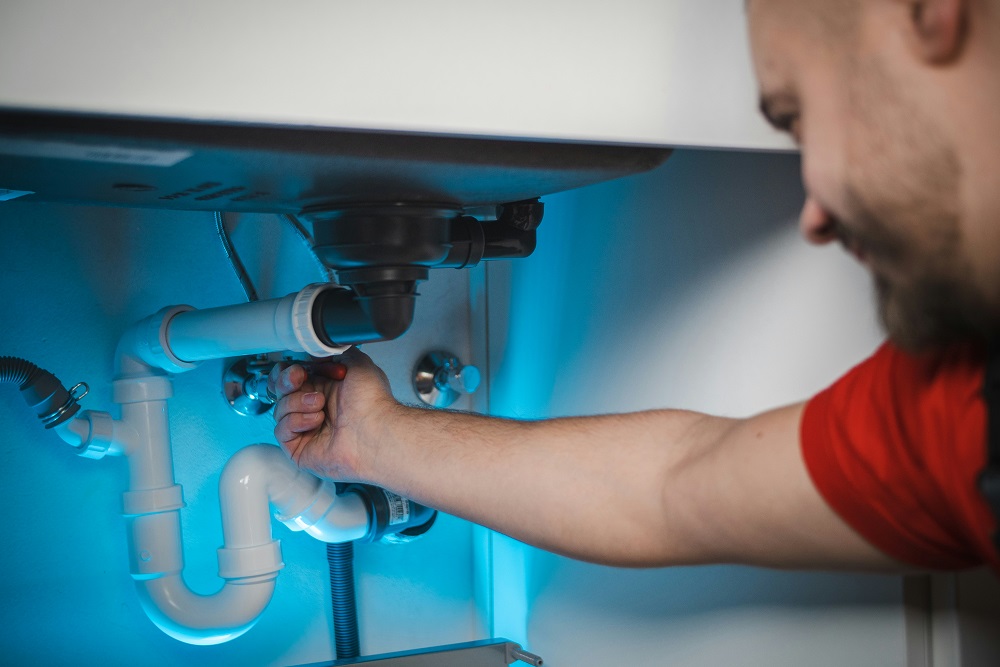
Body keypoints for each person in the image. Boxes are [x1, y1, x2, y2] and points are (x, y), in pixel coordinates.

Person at [269, 0, 1000, 572]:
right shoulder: (955, 415)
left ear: (930, 13)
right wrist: (375, 438)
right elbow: (671, 489)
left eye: (801, 115)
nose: (814, 216)